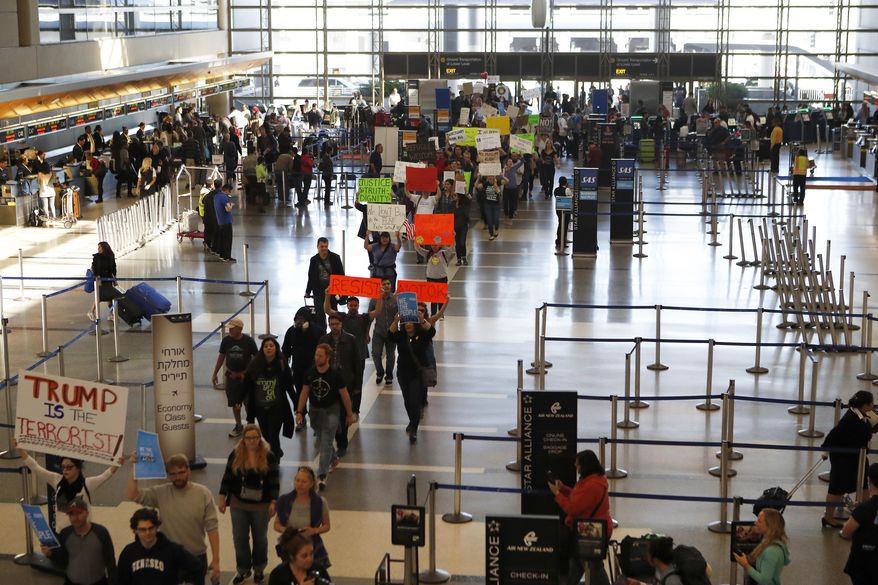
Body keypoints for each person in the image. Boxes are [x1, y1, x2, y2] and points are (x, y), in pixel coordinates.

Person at [126, 454, 221, 585]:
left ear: (188, 470)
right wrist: (134, 468)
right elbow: (133, 495)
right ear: (168, 475)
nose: (178, 477)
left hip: (196, 555)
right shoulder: (160, 493)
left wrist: (216, 559)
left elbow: (212, 528)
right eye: (173, 474)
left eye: (181, 472)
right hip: (170, 557)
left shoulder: (204, 493)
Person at [219, 424, 281, 585]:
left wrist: (274, 501)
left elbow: (274, 481)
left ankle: (259, 569)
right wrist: (222, 497)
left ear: (259, 439)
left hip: (261, 505)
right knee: (239, 538)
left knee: (260, 538)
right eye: (248, 438)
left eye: (255, 437)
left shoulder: (269, 456)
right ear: (244, 439)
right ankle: (243, 569)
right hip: (238, 503)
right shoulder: (236, 454)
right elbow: (227, 476)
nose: (252, 441)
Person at [15, 439, 119, 532]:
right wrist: (21, 451)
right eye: (63, 467)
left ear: (78, 468)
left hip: (82, 533)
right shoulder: (57, 480)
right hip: (62, 533)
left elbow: (105, 475)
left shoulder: (87, 484)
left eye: (69, 467)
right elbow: (36, 468)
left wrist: (117, 463)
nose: (65, 470)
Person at [295, 343, 355, 491]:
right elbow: (304, 392)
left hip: (332, 411)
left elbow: (345, 395)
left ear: (327, 357)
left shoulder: (335, 375)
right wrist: (299, 411)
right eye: (316, 355)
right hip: (315, 411)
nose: (317, 358)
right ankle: (334, 459)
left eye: (320, 355)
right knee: (323, 439)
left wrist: (349, 414)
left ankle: (321, 475)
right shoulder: (310, 373)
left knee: (326, 440)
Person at [548, 449, 612, 585]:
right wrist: (564, 488)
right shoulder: (593, 479)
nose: (575, 467)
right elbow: (580, 499)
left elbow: (573, 508)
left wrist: (557, 494)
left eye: (577, 464)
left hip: (592, 533)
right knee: (577, 563)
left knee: (594, 569)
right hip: (590, 529)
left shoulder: (592, 485)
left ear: (585, 465)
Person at [822, 390, 878, 528]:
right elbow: (833, 436)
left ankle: (863, 514)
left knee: (863, 485)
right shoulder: (851, 420)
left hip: (857, 457)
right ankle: (828, 517)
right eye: (872, 403)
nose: (873, 406)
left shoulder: (859, 413)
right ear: (865, 405)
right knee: (837, 488)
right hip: (844, 458)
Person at [42, 496, 117, 585]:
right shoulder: (65, 534)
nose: (75, 517)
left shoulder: (101, 533)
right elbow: (62, 561)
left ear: (87, 513)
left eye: (78, 513)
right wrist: (51, 554)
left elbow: (110, 562)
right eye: (71, 514)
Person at [117, 507, 202, 585]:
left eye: (151, 528)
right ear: (135, 530)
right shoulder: (128, 553)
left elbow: (197, 566)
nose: (147, 533)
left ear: (157, 527)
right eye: (143, 529)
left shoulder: (172, 550)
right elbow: (121, 581)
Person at [242, 337, 296, 458]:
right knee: (265, 434)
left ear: (276, 348)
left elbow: (289, 386)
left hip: (277, 406)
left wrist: (298, 406)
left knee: (273, 434)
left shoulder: (281, 364)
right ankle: (276, 450)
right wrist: (238, 399)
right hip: (260, 407)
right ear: (262, 349)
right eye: (266, 346)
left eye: (271, 345)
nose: (269, 348)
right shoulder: (254, 365)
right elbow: (247, 385)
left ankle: (275, 459)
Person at [388, 309, 435, 443]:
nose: (408, 324)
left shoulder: (422, 335)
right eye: (405, 322)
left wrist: (422, 320)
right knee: (407, 400)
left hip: (417, 373)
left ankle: (414, 428)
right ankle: (412, 420)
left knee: (415, 400)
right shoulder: (401, 336)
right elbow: (390, 334)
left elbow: (432, 332)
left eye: (410, 322)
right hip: (403, 373)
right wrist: (396, 320)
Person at [318, 309, 360, 457]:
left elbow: (357, 363)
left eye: (336, 324)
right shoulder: (324, 340)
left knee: (342, 415)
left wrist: (357, 385)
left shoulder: (351, 339)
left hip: (346, 382)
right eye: (331, 324)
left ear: (341, 324)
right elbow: (318, 360)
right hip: (328, 383)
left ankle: (342, 443)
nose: (334, 326)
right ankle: (335, 439)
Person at [273, 466, 332, 571]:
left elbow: (327, 526)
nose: (299, 484)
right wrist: (285, 530)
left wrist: (314, 530)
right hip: (290, 545)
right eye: (297, 480)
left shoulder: (320, 502)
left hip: (311, 546)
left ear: (311, 484)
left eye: (304, 481)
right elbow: (276, 525)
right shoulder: (284, 501)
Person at [323, 293, 371, 419]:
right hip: (344, 356)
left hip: (359, 355)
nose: (353, 307)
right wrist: (327, 295)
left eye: (355, 305)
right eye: (351, 305)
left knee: (357, 382)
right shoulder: (342, 317)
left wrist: (380, 297)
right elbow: (327, 310)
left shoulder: (363, 318)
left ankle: (355, 409)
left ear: (359, 306)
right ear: (348, 305)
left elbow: (377, 312)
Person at [213, 316, 259, 438]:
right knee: (234, 403)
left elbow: (257, 359)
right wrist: (215, 372)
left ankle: (250, 424)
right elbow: (221, 357)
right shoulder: (226, 341)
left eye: (232, 328)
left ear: (239, 329)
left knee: (248, 402)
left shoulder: (249, 341)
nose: (229, 330)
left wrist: (252, 374)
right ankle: (238, 425)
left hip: (246, 378)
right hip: (232, 377)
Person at [282, 307, 323, 432]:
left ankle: (317, 422)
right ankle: (301, 417)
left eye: (302, 318)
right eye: (298, 318)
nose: (300, 321)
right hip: (298, 369)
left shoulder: (317, 331)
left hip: (314, 369)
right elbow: (285, 350)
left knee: (316, 395)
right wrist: (284, 366)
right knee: (300, 393)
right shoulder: (291, 331)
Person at [842, 462, 878, 585]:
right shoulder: (864, 508)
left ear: (869, 481)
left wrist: (857, 512)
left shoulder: (864, 509)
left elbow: (846, 532)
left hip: (863, 561)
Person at [733, 508, 790, 585]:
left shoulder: (772, 551)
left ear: (770, 526)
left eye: (759, 521)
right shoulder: (770, 542)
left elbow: (764, 580)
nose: (756, 523)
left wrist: (745, 565)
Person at [305, 237, 345, 324]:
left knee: (334, 313)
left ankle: (335, 331)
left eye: (326, 246)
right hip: (318, 291)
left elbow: (341, 275)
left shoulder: (335, 258)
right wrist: (308, 291)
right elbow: (311, 276)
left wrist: (342, 291)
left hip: (332, 290)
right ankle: (322, 334)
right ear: (317, 247)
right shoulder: (314, 260)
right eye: (322, 246)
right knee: (320, 315)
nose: (324, 249)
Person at [368, 278, 398, 386]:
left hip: (392, 333)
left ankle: (389, 375)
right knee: (375, 354)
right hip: (378, 332)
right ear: (380, 286)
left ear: (391, 285)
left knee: (391, 356)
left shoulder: (396, 300)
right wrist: (366, 333)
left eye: (388, 284)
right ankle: (379, 372)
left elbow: (403, 315)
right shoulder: (374, 300)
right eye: (384, 284)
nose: (386, 286)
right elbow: (369, 318)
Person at [89, 241, 122, 322]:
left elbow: (113, 268)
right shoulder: (97, 257)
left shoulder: (111, 255)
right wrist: (98, 278)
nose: (98, 249)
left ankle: (110, 314)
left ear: (104, 247)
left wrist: (114, 279)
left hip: (108, 278)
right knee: (100, 296)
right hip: (100, 280)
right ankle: (91, 311)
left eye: (100, 247)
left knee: (110, 296)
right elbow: (94, 268)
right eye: (98, 247)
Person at [414, 243, 452, 316]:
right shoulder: (428, 253)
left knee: (441, 298)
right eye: (432, 245)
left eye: (436, 245)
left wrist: (453, 238)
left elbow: (452, 248)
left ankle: (441, 314)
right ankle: (433, 314)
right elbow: (418, 249)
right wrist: (416, 239)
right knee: (433, 298)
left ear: (440, 245)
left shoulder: (444, 253)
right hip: (431, 278)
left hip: (442, 278)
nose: (434, 246)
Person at [476, 174, 508, 240]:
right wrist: (478, 178)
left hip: (496, 205)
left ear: (494, 177)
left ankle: (496, 229)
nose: (490, 177)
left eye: (492, 176)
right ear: (487, 177)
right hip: (487, 204)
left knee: (496, 220)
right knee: (489, 220)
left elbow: (507, 181)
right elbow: (476, 185)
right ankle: (491, 234)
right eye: (489, 176)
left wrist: (502, 176)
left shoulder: (497, 182)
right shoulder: (485, 184)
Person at [214, 183, 236, 262]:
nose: (230, 193)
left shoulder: (216, 196)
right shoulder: (224, 198)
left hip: (220, 221)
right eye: (229, 191)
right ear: (226, 190)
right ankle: (227, 257)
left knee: (222, 240)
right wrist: (232, 205)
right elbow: (228, 209)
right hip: (226, 221)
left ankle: (222, 255)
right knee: (228, 240)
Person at [452, 184, 472, 265]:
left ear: (459, 196)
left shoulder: (464, 204)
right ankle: (459, 259)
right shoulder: (452, 204)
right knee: (457, 244)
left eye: (455, 195)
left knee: (462, 242)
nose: (453, 197)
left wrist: (466, 192)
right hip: (455, 227)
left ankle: (464, 257)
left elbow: (470, 199)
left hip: (463, 226)